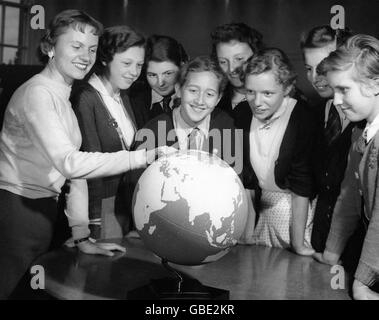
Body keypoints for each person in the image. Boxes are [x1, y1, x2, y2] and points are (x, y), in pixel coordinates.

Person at [0, 10, 174, 299]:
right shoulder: (38, 93)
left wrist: (82, 236)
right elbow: (71, 162)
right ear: (50, 47)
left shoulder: (61, 95)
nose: (86, 55)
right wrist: (143, 156)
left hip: (42, 211)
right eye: (76, 46)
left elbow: (73, 172)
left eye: (92, 49)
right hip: (17, 210)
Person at [133, 55, 256, 242]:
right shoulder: (152, 131)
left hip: (208, 235)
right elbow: (137, 191)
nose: (200, 100)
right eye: (193, 90)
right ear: (178, 90)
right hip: (161, 232)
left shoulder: (227, 127)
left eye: (209, 94)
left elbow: (235, 186)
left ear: (218, 98)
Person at [314, 34, 379, 300]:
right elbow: (349, 198)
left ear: (375, 84)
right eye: (334, 90)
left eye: (344, 89)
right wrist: (332, 251)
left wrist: (363, 281)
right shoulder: (359, 135)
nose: (337, 100)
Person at [71, 25, 145, 239]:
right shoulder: (86, 98)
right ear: (104, 59)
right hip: (101, 209)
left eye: (139, 65)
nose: (134, 72)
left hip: (125, 205)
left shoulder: (124, 96)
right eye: (127, 63)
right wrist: (93, 224)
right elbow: (88, 167)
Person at [242, 48, 316, 256]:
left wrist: (299, 244)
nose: (257, 102)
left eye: (267, 93)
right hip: (259, 215)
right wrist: (248, 233)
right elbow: (247, 180)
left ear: (288, 87)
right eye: (250, 92)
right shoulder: (241, 114)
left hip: (294, 216)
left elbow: (302, 184)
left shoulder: (303, 117)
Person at [300, 26, 365, 262]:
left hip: (359, 254)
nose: (315, 76)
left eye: (324, 66)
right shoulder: (312, 114)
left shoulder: (366, 123)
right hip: (318, 248)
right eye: (309, 68)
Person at [210, 22, 263, 128]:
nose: (232, 69)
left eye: (239, 59)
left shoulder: (282, 100)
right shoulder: (211, 99)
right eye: (223, 62)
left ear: (257, 55)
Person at [130, 34, 188, 128]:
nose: (160, 83)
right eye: (152, 75)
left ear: (182, 66)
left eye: (168, 73)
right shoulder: (132, 100)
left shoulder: (196, 97)